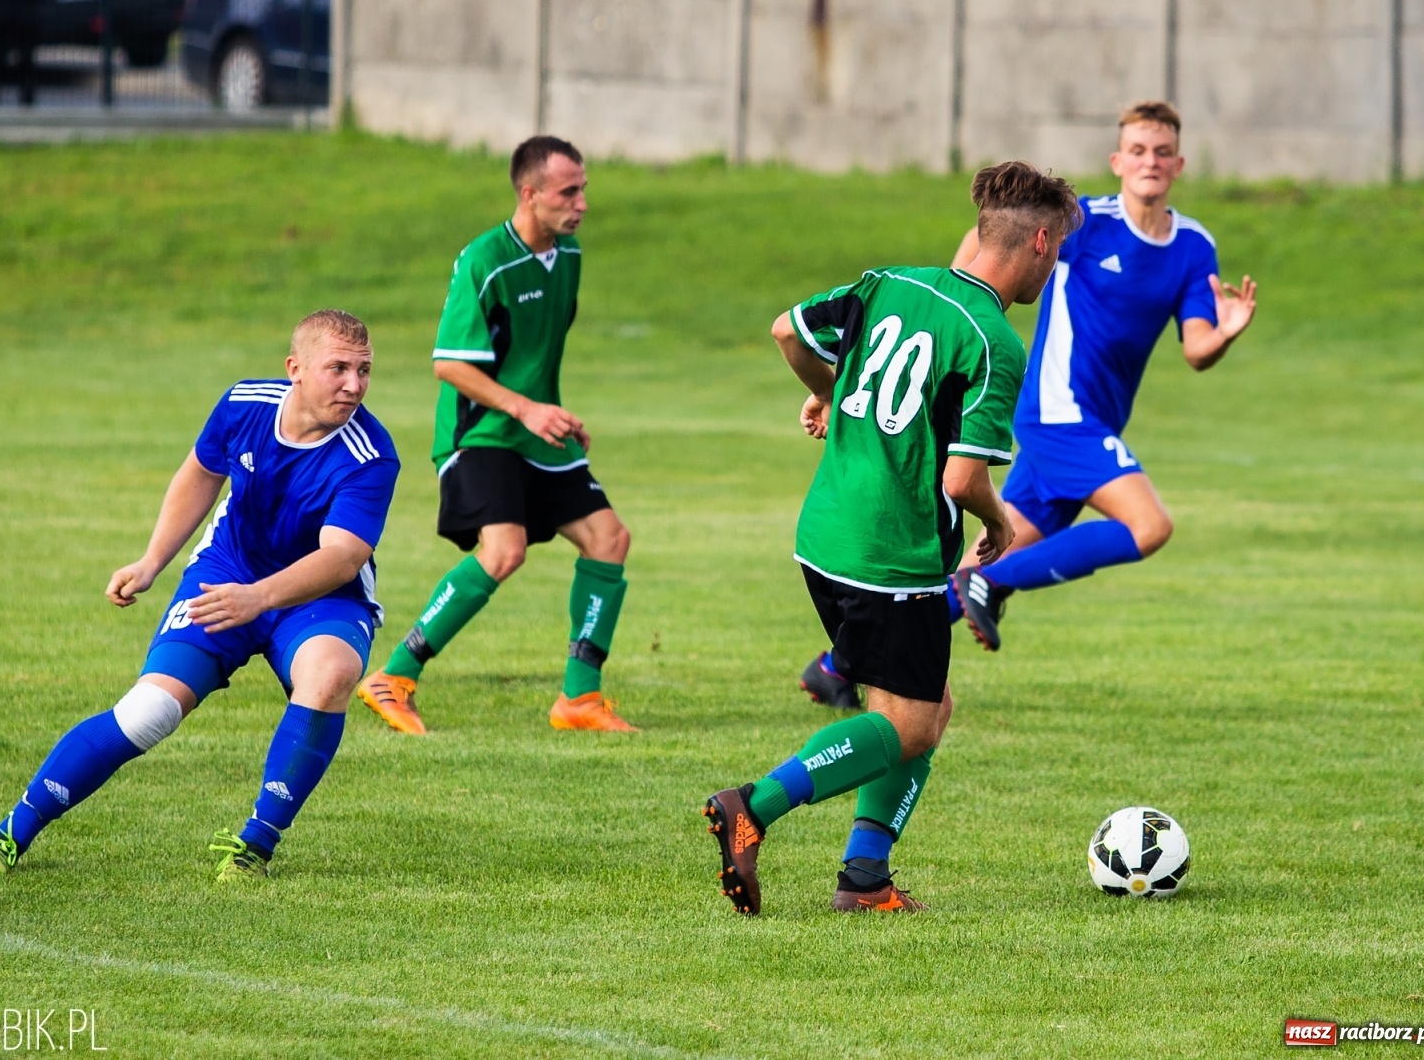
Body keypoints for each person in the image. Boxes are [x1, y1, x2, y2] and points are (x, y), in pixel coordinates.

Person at [704, 162, 1080, 914]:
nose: (1055, 265)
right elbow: (962, 480)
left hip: (825, 535)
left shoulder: (889, 282)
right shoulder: (994, 342)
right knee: (909, 724)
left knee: (928, 705)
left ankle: (865, 879)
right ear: (1040, 241)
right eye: (1058, 249)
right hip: (892, 555)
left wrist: (825, 391)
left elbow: (787, 329)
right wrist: (1000, 522)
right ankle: (753, 806)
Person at [799, 101, 1258, 709]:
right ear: (1118, 161)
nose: (1150, 161)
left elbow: (1196, 348)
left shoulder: (1194, 246)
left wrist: (1226, 332)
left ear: (1179, 164)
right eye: (1138, 150)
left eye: (1162, 152)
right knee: (1149, 526)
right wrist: (953, 321)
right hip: (1058, 414)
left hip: (1090, 424)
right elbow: (988, 240)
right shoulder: (1086, 222)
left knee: (983, 553)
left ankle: (835, 667)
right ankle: (988, 584)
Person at [0, 310, 400, 882]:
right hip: (226, 573)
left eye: (364, 370)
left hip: (322, 597)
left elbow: (342, 557)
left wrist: (259, 598)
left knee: (332, 673)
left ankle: (253, 847)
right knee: (148, 712)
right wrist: (151, 561)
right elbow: (200, 473)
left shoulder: (371, 454)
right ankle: (11, 832)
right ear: (295, 368)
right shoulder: (244, 404)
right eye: (338, 368)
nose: (354, 385)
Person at [355, 136, 636, 736]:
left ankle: (579, 698)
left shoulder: (569, 255)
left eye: (584, 189)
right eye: (569, 192)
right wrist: (526, 409)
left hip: (534, 432)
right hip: (480, 431)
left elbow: (532, 357)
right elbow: (449, 364)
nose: (582, 203)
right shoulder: (485, 260)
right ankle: (394, 675)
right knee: (504, 550)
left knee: (608, 539)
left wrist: (550, 414)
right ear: (530, 194)